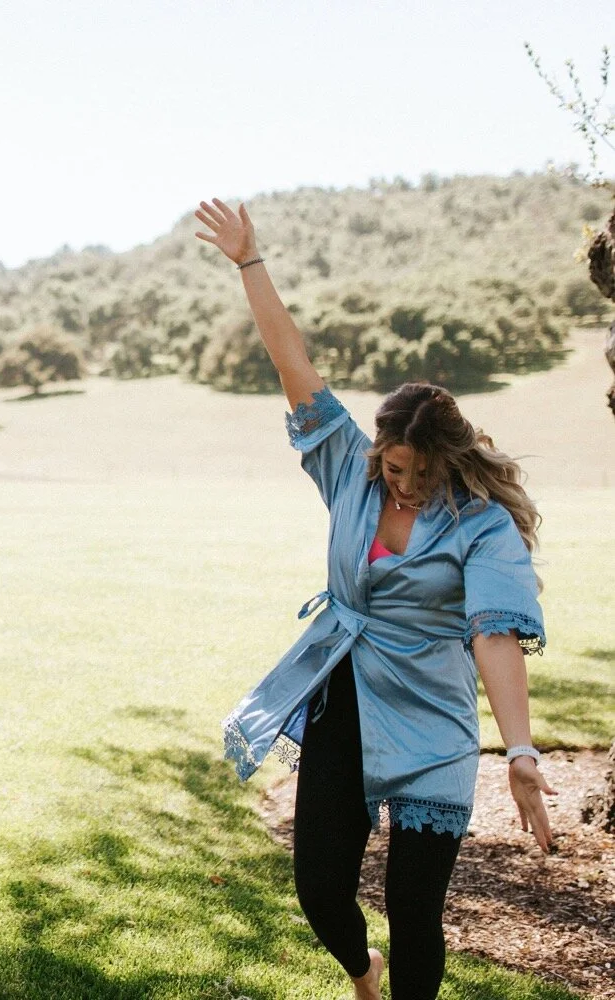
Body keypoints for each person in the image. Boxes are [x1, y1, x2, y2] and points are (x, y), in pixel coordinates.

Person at [195, 199, 556, 1000]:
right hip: (347, 701)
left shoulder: (481, 527)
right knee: (320, 890)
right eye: (393, 468)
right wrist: (251, 263)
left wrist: (521, 753)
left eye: (419, 473)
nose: (404, 484)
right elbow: (294, 368)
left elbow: (494, 637)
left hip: (432, 719)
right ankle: (364, 973)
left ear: (448, 459)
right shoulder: (352, 476)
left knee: (415, 911)